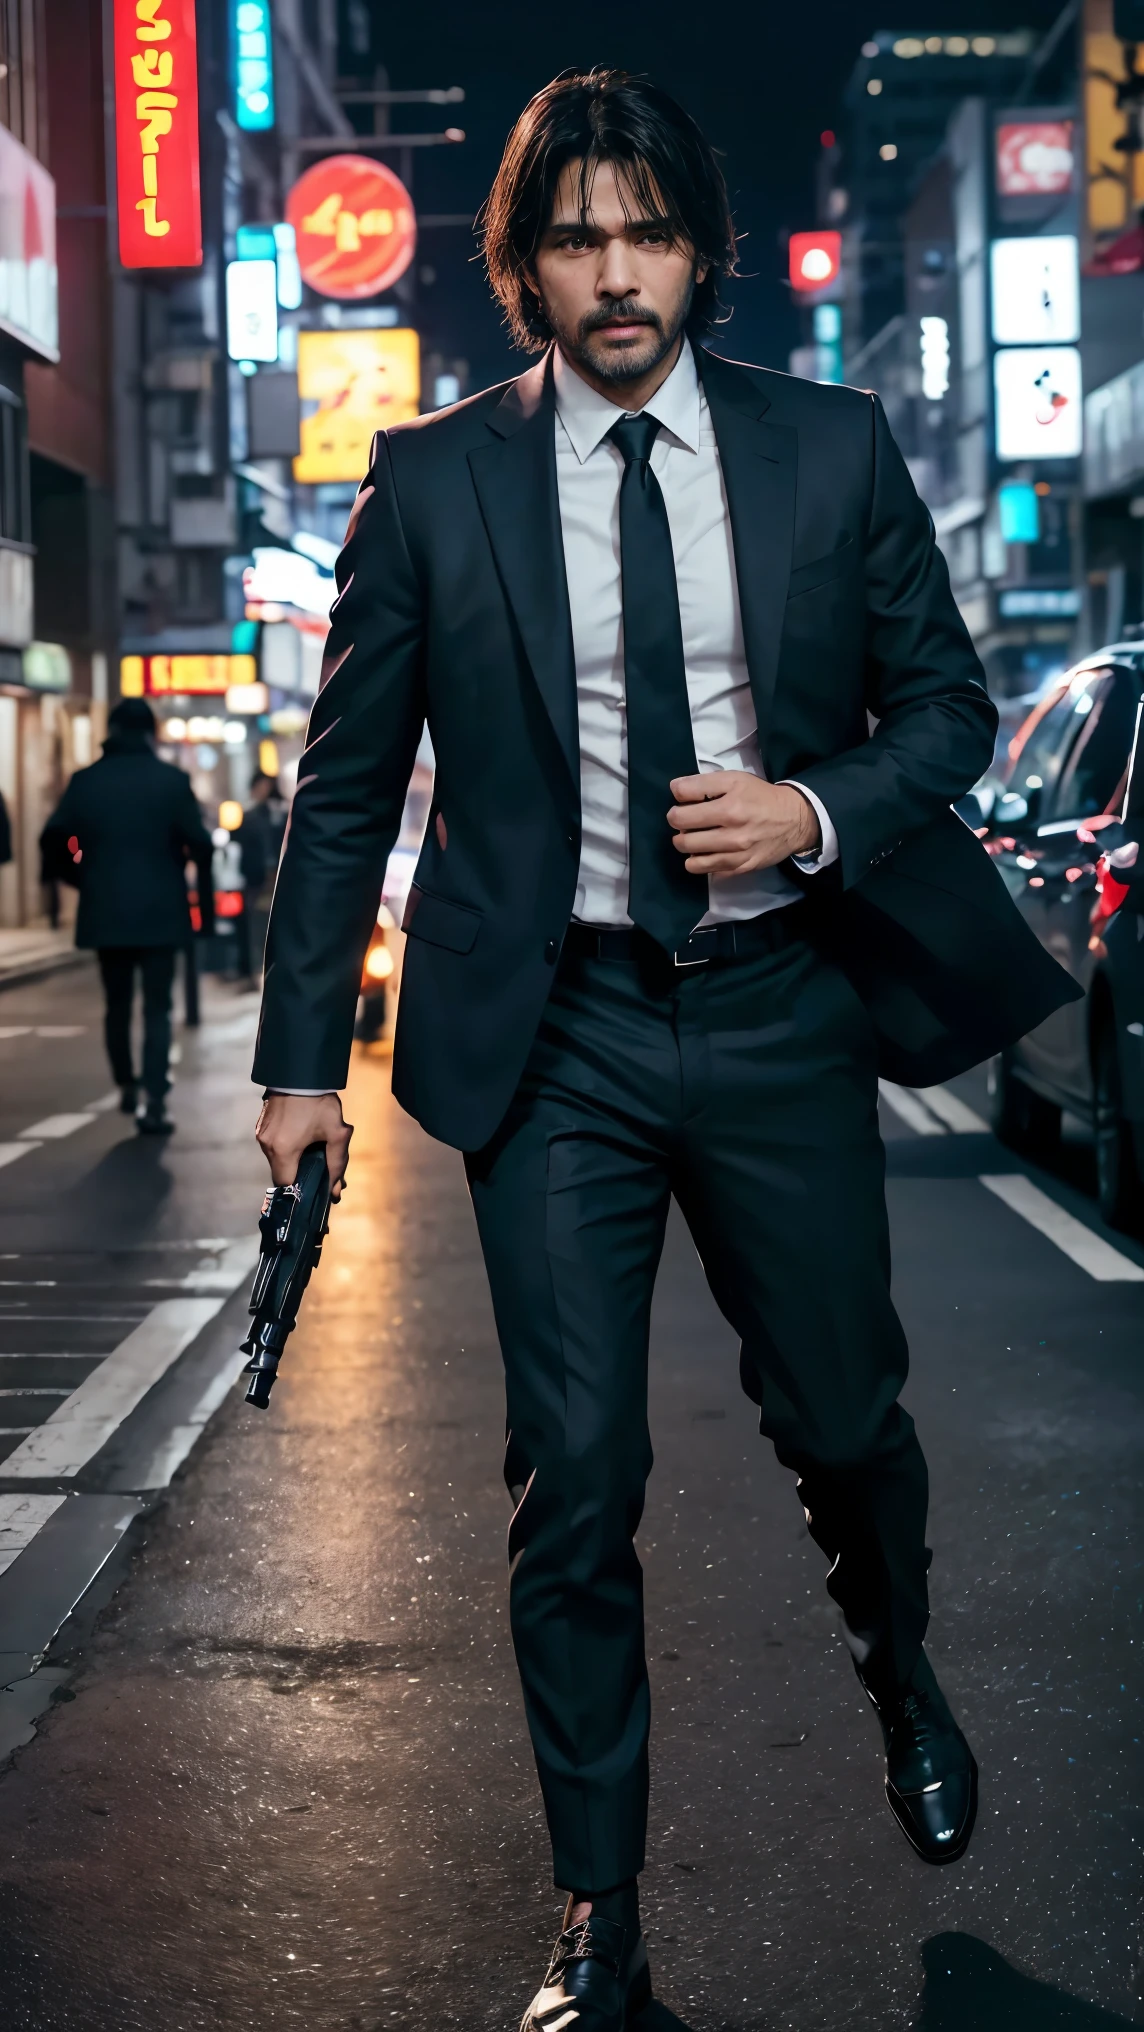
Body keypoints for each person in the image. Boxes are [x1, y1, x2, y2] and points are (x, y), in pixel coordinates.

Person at [252, 70, 1077, 2028]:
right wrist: (296, 1068)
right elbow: (344, 784)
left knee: (840, 1416)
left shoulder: (830, 448)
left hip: (778, 1006)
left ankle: (896, 1657)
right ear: (522, 265)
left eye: (642, 232)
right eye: (570, 236)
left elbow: (950, 711)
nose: (610, 272)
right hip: (555, 1035)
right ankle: (595, 1917)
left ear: (699, 250)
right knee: (577, 1467)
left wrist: (810, 813)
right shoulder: (434, 476)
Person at [41, 697, 215, 1135]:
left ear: (112, 730)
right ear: (150, 732)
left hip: (106, 911)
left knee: (116, 1004)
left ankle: (126, 1083)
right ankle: (155, 1100)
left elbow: (53, 837)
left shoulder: (87, 781)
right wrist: (204, 911)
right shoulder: (172, 781)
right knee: (158, 1007)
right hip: (162, 911)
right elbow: (201, 843)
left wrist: (80, 877)